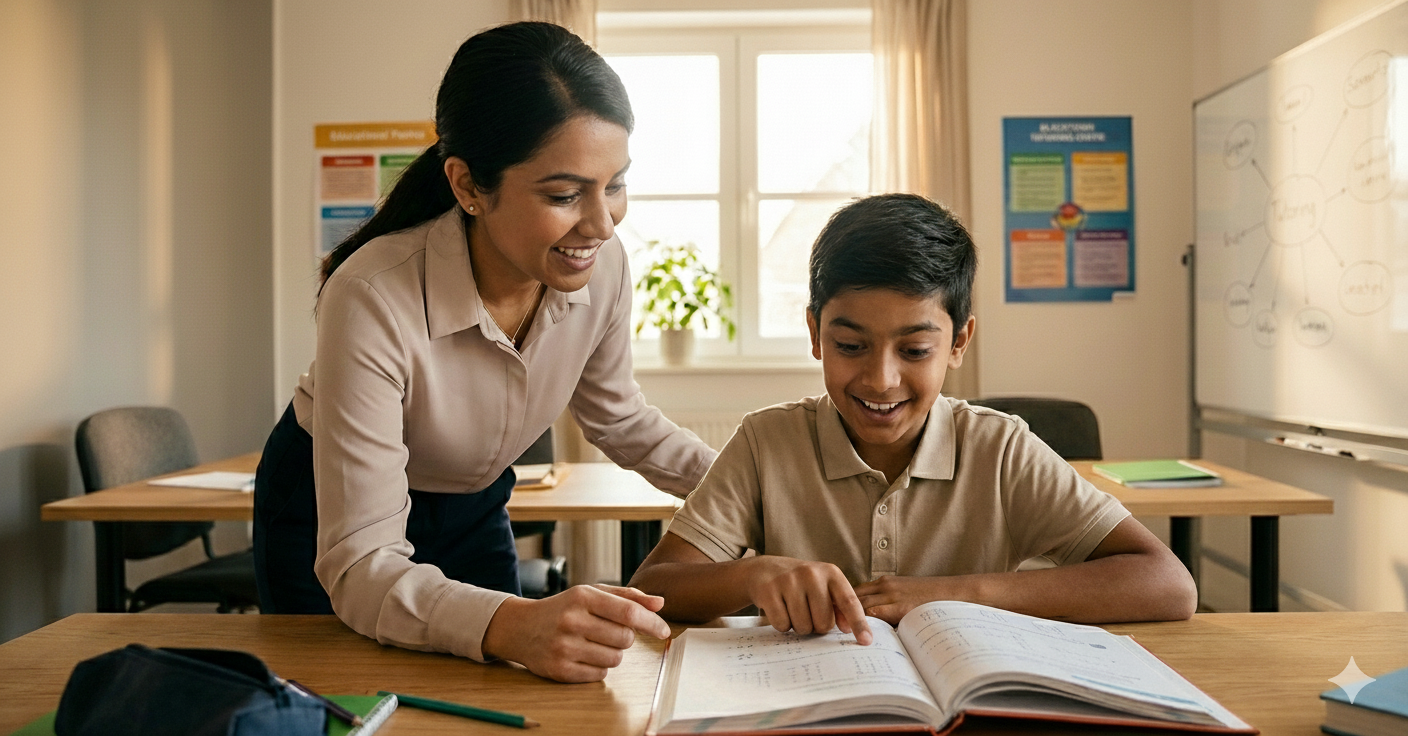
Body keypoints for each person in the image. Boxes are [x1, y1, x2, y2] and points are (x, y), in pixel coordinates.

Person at [252, 22, 717, 684]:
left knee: (500, 692)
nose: (603, 223)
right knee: (343, 699)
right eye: (563, 194)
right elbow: (361, 564)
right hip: (327, 511)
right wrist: (513, 623)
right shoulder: (373, 293)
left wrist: (752, 490)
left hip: (472, 503)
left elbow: (619, 417)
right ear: (468, 186)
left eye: (614, 184)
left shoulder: (603, 264)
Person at [629, 194, 1197, 642]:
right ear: (814, 334)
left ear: (959, 341)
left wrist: (958, 594)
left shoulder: (1000, 450)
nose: (881, 380)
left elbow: (1168, 585)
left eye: (915, 350)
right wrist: (753, 574)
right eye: (850, 345)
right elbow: (654, 587)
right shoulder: (766, 442)